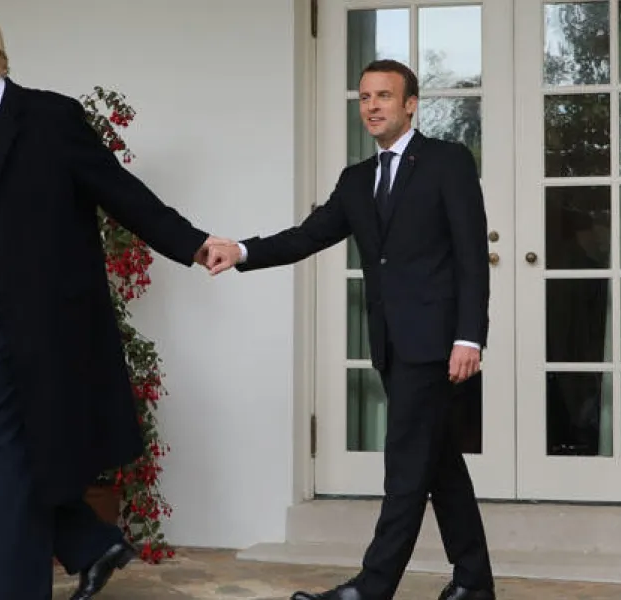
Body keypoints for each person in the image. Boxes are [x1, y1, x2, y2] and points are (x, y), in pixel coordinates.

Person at [0, 14, 230, 600]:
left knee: (6, 454)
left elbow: (118, 189)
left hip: (30, 312)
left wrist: (192, 242)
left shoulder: (50, 118)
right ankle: (88, 541)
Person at [206, 59, 496, 600]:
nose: (372, 106)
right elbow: (306, 237)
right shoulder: (356, 180)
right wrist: (241, 251)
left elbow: (471, 256)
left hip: (436, 344)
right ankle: (474, 584)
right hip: (390, 342)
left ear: (410, 104)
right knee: (439, 465)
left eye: (384, 95)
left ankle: (373, 587)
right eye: (364, 97)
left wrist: (469, 336)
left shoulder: (447, 162)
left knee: (407, 466)